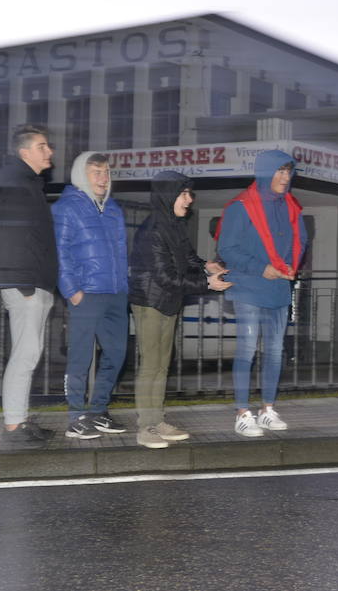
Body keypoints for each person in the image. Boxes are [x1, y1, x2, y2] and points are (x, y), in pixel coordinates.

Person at [129, 171, 232, 449]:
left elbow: (186, 257)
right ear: (168, 195)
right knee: (151, 365)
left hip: (169, 300)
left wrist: (205, 265)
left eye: (189, 193)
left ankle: (158, 419)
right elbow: (165, 277)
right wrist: (206, 284)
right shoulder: (153, 230)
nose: (189, 200)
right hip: (151, 302)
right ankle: (145, 427)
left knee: (162, 365)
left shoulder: (172, 225)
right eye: (184, 193)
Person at [216, 150, 308, 436]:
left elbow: (301, 240)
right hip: (249, 287)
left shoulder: (291, 205)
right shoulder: (241, 206)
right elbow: (226, 249)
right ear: (266, 172)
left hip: (279, 287)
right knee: (246, 349)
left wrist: (291, 265)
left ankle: (267, 409)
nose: (285, 177)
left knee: (275, 352)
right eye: (279, 171)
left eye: (288, 171)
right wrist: (260, 267)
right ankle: (243, 413)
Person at [52, 152, 129, 439]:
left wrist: (124, 286)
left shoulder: (113, 209)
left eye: (106, 172)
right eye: (96, 171)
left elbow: (120, 252)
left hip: (116, 292)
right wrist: (72, 291)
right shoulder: (67, 208)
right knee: (80, 356)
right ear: (81, 174)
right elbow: (59, 253)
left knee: (118, 353)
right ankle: (76, 416)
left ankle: (98, 411)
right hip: (86, 294)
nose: (103, 177)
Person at [0, 124, 57, 444]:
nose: (50, 152)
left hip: (35, 282)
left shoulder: (28, 185)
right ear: (25, 153)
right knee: (25, 354)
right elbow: (13, 239)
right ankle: (14, 424)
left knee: (29, 353)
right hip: (26, 284)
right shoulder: (19, 187)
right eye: (43, 146)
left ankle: (18, 419)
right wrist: (24, 283)